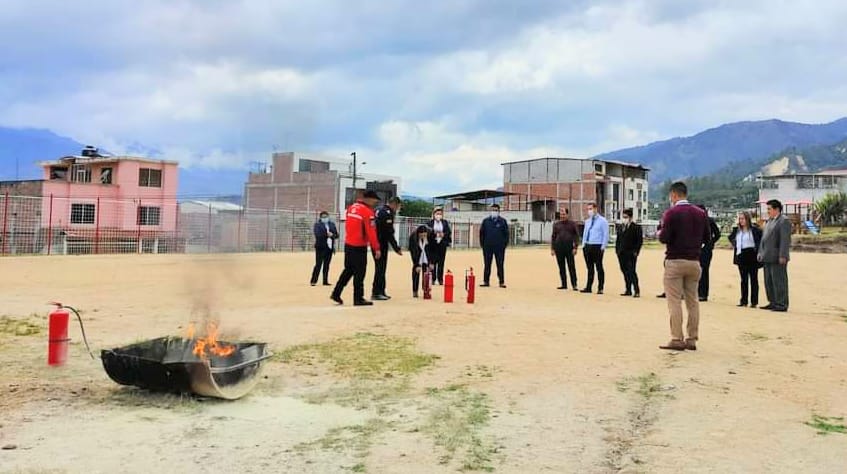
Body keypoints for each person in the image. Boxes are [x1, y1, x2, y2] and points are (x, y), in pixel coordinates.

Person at [658, 182, 711, 351]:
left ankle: (676, 338)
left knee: (674, 301)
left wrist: (660, 232)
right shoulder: (700, 213)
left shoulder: (671, 213)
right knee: (693, 301)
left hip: (675, 260)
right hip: (694, 261)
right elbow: (707, 237)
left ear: (674, 195)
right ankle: (692, 338)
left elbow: (664, 237)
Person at [331, 191, 382, 306]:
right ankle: (358, 298)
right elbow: (371, 232)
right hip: (359, 246)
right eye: (375, 200)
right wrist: (376, 248)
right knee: (360, 273)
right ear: (369, 199)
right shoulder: (368, 212)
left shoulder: (351, 208)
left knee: (348, 270)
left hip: (349, 244)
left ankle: (336, 293)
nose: (375, 203)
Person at [758, 199, 792, 312]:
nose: (767, 211)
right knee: (769, 281)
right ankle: (772, 301)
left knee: (779, 281)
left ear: (776, 209)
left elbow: (785, 240)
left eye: (769, 209)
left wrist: (783, 255)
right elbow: (763, 239)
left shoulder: (783, 221)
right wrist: (760, 252)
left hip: (777, 256)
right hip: (767, 255)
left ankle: (781, 303)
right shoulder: (769, 221)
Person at [728, 211, 763, 307]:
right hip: (741, 254)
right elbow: (730, 237)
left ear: (748, 219)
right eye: (740, 219)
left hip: (752, 254)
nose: (741, 221)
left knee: (753, 279)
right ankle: (743, 300)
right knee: (744, 279)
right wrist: (734, 243)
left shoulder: (754, 230)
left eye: (743, 218)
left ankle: (754, 301)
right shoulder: (737, 230)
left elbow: (760, 240)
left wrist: (759, 251)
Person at [372, 197, 403, 301]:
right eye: (398, 206)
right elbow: (389, 233)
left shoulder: (378, 209)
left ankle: (381, 291)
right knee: (380, 268)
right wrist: (396, 248)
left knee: (380, 267)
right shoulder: (387, 213)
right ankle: (376, 292)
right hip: (380, 244)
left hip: (375, 242)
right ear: (394, 204)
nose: (397, 209)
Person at [580, 203, 609, 294]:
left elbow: (605, 235)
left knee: (599, 267)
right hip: (588, 245)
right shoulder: (587, 221)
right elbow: (585, 233)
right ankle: (588, 287)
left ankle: (600, 288)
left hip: (597, 246)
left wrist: (603, 247)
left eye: (591, 209)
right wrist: (583, 245)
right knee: (590, 268)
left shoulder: (603, 221)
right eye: (588, 209)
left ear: (595, 209)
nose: (589, 211)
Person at [615, 208, 643, 297]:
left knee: (631, 271)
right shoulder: (621, 227)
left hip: (631, 254)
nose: (624, 219)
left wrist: (636, 251)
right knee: (624, 271)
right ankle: (628, 289)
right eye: (623, 217)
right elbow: (618, 240)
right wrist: (617, 250)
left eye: (626, 217)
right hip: (621, 253)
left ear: (630, 217)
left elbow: (639, 241)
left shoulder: (636, 227)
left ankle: (636, 290)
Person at [479, 203, 509, 288]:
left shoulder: (503, 221)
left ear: (499, 211)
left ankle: (501, 282)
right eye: (492, 210)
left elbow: (506, 234)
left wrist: (504, 245)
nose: (494, 212)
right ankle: (486, 281)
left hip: (499, 248)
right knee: (487, 264)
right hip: (487, 247)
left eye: (496, 210)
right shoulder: (486, 221)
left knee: (500, 264)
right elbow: (482, 233)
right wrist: (483, 245)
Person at [697, 204, 722, 302]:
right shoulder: (694, 221)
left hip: (706, 250)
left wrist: (710, 243)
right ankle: (695, 292)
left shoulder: (710, 221)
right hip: (695, 249)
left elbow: (717, 234)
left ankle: (703, 294)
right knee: (695, 271)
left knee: (704, 271)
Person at [550, 208, 579, 290]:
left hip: (569, 248)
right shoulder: (556, 224)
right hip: (559, 248)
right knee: (561, 267)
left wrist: (575, 247)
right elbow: (553, 236)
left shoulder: (572, 224)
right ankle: (564, 284)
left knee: (571, 266)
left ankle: (574, 284)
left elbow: (576, 236)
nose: (562, 216)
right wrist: (552, 248)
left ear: (567, 214)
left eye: (563, 214)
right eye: (561, 214)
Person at [310, 211, 338, 286]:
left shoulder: (332, 224)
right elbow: (317, 234)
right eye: (323, 217)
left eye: (326, 217)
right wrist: (327, 234)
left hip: (329, 247)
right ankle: (313, 280)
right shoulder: (317, 225)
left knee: (327, 265)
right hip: (320, 247)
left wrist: (332, 235)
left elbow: (336, 235)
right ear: (320, 218)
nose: (325, 218)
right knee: (318, 264)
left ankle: (325, 281)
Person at [409, 225, 436, 298]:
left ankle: (426, 290)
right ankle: (415, 291)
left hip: (427, 255)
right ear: (418, 234)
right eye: (421, 235)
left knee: (426, 272)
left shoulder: (431, 235)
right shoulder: (413, 237)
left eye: (424, 235)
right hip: (417, 255)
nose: (423, 237)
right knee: (416, 272)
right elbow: (413, 252)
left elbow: (433, 250)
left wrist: (432, 262)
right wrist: (416, 265)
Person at [427, 208, 452, 285]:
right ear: (434, 214)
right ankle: (433, 279)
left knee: (441, 262)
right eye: (437, 214)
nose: (439, 215)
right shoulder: (430, 223)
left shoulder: (445, 222)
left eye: (440, 214)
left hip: (442, 244)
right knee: (432, 262)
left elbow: (448, 231)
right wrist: (434, 233)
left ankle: (440, 279)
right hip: (432, 245)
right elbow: (427, 231)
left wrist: (443, 234)